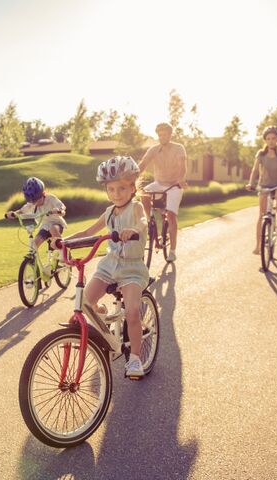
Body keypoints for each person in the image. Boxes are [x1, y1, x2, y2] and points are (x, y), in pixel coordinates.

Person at [63, 156, 149, 378]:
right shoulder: (109, 212)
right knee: (85, 302)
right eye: (111, 189)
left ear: (132, 187)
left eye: (121, 188)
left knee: (131, 312)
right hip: (109, 266)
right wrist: (64, 242)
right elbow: (87, 232)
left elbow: (143, 221)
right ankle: (105, 322)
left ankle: (135, 359)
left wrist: (134, 230)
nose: (116, 193)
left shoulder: (136, 207)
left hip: (132, 268)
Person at [138, 122, 187, 262]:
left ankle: (172, 251)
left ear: (170, 135)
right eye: (159, 135)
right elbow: (143, 164)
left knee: (171, 215)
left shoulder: (179, 148)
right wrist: (131, 178)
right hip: (159, 184)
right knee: (144, 194)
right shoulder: (154, 149)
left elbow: (182, 167)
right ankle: (149, 219)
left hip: (174, 186)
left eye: (164, 134)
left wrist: (181, 179)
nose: (161, 137)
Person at [246, 126, 277, 254]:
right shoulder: (261, 154)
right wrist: (251, 183)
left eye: (273, 138)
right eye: (268, 139)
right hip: (265, 185)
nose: (271, 141)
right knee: (261, 215)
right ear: (265, 141)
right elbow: (255, 170)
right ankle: (258, 246)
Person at [5, 176, 67, 250]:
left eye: (37, 200)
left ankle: (64, 251)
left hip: (56, 224)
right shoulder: (31, 203)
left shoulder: (50, 198)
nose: (35, 203)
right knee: (34, 244)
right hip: (44, 227)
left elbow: (62, 208)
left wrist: (59, 211)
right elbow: (22, 211)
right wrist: (13, 213)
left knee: (53, 229)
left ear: (43, 194)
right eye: (33, 201)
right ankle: (32, 259)